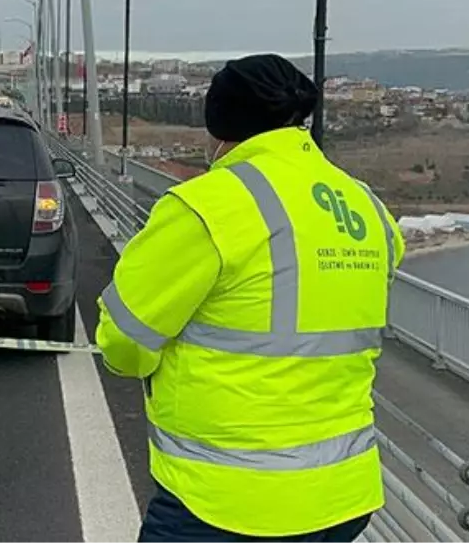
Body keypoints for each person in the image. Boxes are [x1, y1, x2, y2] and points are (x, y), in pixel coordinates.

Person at [94, 54, 405, 542]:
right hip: (345, 493)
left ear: (219, 125)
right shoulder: (365, 205)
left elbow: (124, 342)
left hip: (227, 502)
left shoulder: (207, 206)